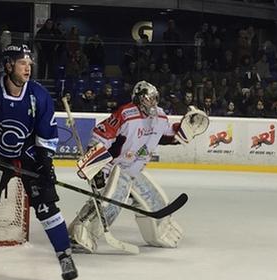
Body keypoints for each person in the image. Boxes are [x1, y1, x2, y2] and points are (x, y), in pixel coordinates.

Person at [0, 43, 79, 280]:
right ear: (9, 65)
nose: (28, 67)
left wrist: (45, 162)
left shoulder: (39, 95)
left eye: (30, 63)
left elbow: (48, 134)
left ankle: (65, 257)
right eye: (23, 63)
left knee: (47, 208)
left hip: (30, 156)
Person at [68, 80, 188, 253]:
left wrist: (183, 130)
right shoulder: (125, 114)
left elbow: (167, 135)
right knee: (111, 202)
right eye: (148, 99)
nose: (152, 103)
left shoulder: (160, 116)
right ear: (138, 99)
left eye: (155, 99)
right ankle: (80, 232)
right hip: (113, 168)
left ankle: (158, 231)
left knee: (154, 200)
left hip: (134, 169)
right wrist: (95, 169)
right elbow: (101, 137)